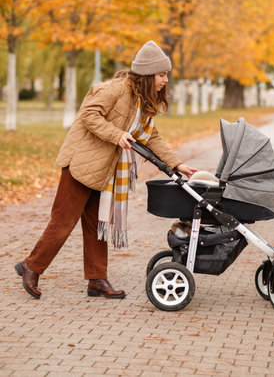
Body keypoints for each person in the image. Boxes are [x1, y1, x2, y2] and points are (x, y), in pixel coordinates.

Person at [14, 40, 197, 300]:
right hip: (81, 164)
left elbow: (150, 137)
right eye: (161, 74)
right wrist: (116, 134)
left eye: (165, 74)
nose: (165, 80)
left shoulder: (143, 100)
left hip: (104, 171)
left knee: (97, 225)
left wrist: (176, 164)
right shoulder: (116, 89)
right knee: (63, 223)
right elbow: (88, 114)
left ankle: (97, 279)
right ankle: (31, 266)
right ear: (147, 75)